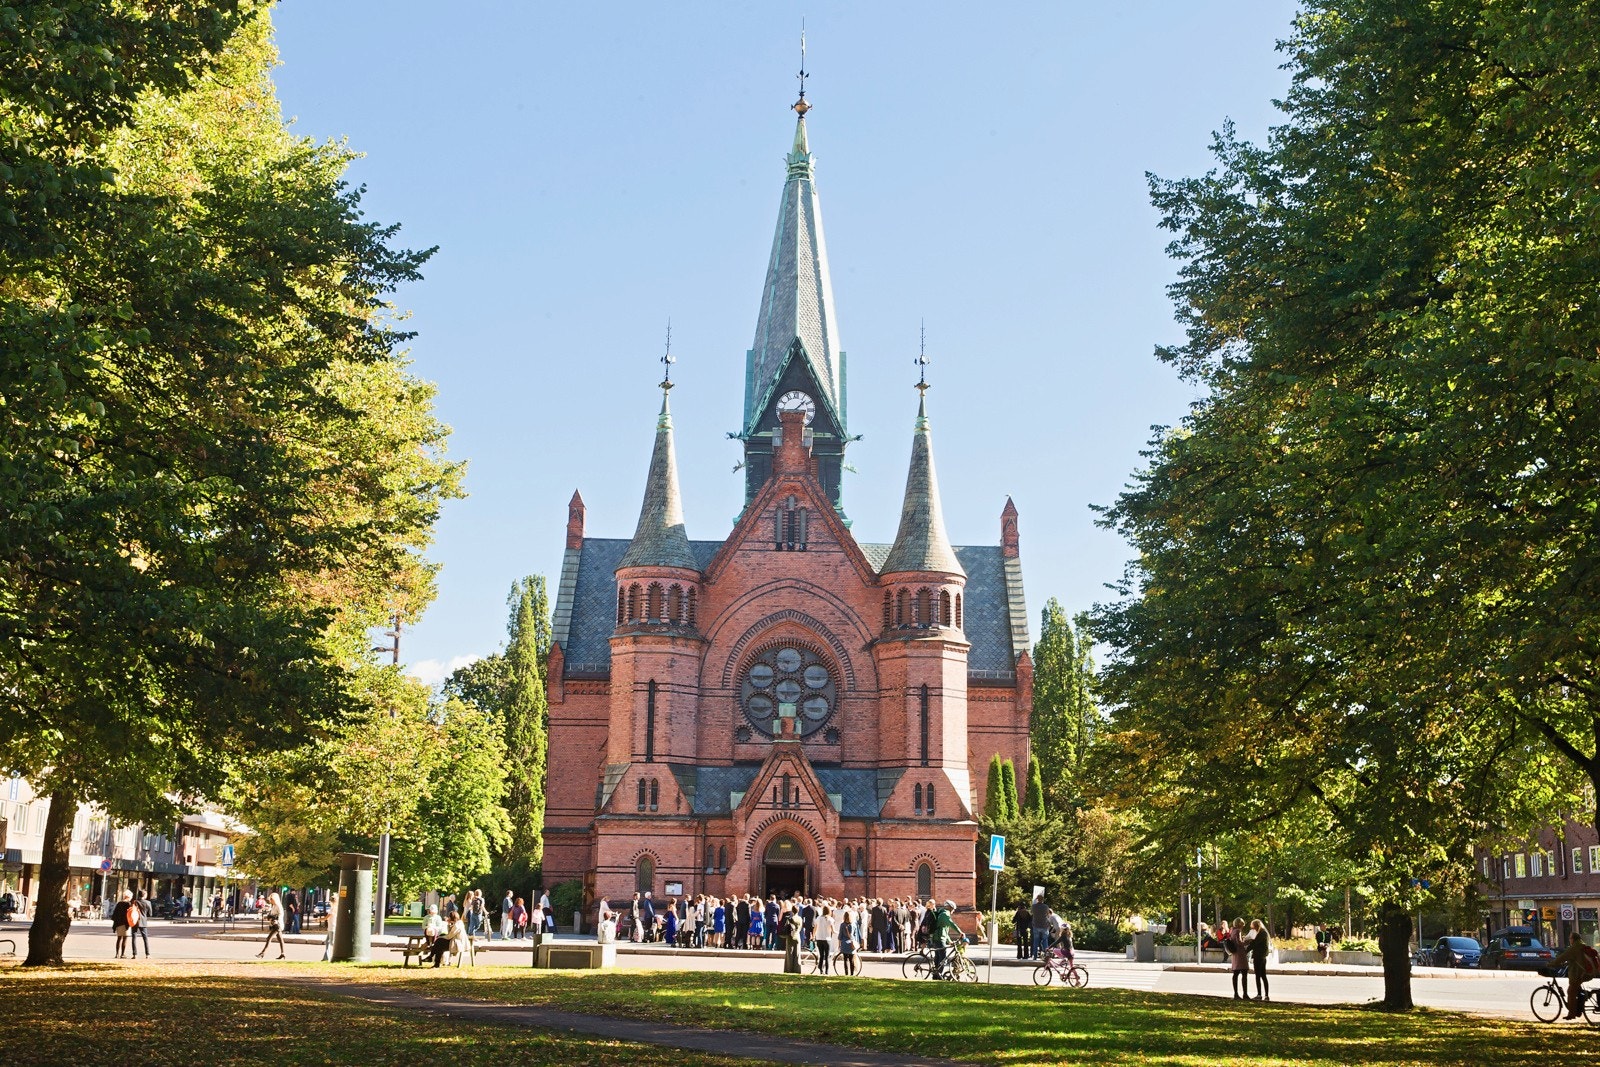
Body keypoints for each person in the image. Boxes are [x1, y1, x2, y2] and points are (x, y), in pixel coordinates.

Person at [1551, 932, 1600, 1018]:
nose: (1570, 940)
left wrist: (1551, 964)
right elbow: (1577, 960)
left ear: (1573, 939)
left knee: (1571, 991)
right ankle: (1580, 1004)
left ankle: (1571, 1014)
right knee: (1576, 990)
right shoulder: (1582, 945)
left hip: (1581, 974)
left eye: (1570, 938)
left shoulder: (1575, 948)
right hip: (1587, 972)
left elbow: (1563, 957)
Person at [931, 900, 963, 979]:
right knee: (943, 958)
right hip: (939, 938)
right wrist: (960, 932)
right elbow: (952, 924)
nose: (953, 911)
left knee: (938, 957)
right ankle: (939, 975)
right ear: (950, 908)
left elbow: (944, 930)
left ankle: (935, 975)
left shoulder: (941, 913)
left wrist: (949, 941)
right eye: (953, 909)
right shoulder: (945, 914)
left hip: (937, 937)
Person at [256, 891, 287, 959]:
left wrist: (274, 919)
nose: (270, 901)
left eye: (271, 899)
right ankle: (283, 953)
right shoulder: (274, 906)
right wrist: (268, 917)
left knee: (269, 938)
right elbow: (272, 914)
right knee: (280, 940)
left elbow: (280, 915)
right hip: (275, 924)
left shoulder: (278, 906)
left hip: (277, 925)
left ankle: (262, 953)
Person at [1246, 919, 1271, 1001]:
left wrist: (1245, 951)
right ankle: (1266, 995)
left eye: (1253, 927)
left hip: (1258, 957)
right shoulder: (1264, 933)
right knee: (1263, 976)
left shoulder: (1261, 933)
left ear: (1256, 926)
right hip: (1262, 957)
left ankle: (1259, 994)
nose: (1253, 929)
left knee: (1258, 976)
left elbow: (1254, 944)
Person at [1225, 919, 1250, 999]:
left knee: (1235, 974)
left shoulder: (1232, 930)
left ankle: (1236, 993)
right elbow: (1239, 942)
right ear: (1239, 924)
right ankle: (1245, 994)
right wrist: (1247, 942)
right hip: (1240, 953)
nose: (1243, 926)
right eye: (1242, 924)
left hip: (1235, 954)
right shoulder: (1238, 931)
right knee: (1244, 973)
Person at [112, 890, 135, 959]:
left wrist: (115, 924)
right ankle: (122, 954)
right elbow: (131, 914)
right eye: (131, 897)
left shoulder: (119, 903)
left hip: (118, 923)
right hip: (126, 924)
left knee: (119, 938)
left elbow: (114, 914)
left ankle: (117, 954)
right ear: (128, 896)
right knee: (125, 939)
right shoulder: (129, 904)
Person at [782, 903, 803, 973]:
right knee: (797, 954)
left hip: (790, 937)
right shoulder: (800, 918)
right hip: (797, 936)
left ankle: (789, 969)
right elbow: (800, 928)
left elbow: (786, 927)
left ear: (792, 911)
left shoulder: (790, 919)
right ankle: (797, 969)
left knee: (789, 954)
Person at [131, 890, 153, 958]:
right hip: (143, 921)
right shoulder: (148, 902)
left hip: (135, 920)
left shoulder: (135, 902)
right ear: (144, 895)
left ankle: (135, 954)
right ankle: (147, 954)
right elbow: (150, 914)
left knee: (134, 937)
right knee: (145, 938)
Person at [1030, 892, 1049, 961]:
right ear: (1043, 900)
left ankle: (1035, 956)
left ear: (1037, 899)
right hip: (1044, 925)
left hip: (1036, 925)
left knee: (1036, 941)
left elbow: (1031, 913)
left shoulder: (1033, 906)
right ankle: (1047, 955)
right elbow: (1048, 914)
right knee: (1045, 941)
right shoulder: (1046, 906)